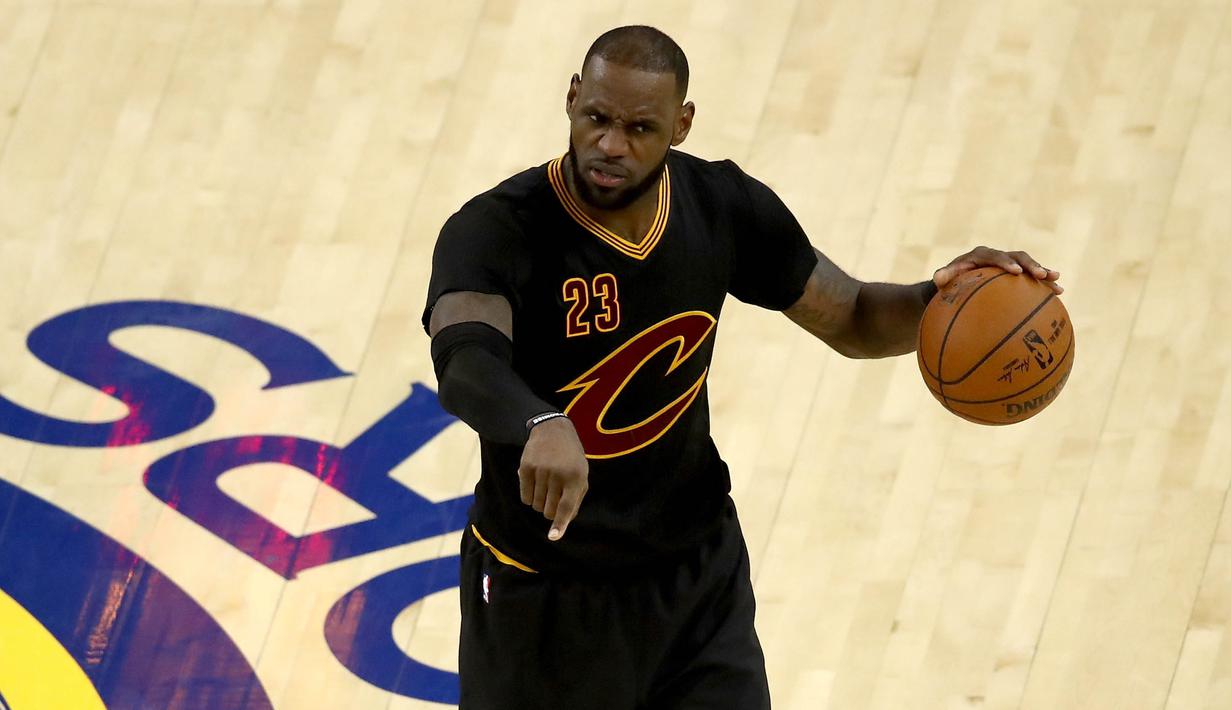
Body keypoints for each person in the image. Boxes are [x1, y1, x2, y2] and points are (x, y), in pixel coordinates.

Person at [422, 25, 1061, 710]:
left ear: (682, 125)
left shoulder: (721, 207)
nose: (610, 144)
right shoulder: (497, 230)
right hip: (545, 592)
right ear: (572, 98)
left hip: (694, 574)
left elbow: (849, 317)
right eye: (597, 118)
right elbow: (464, 358)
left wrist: (945, 301)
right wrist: (540, 421)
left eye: (640, 128)